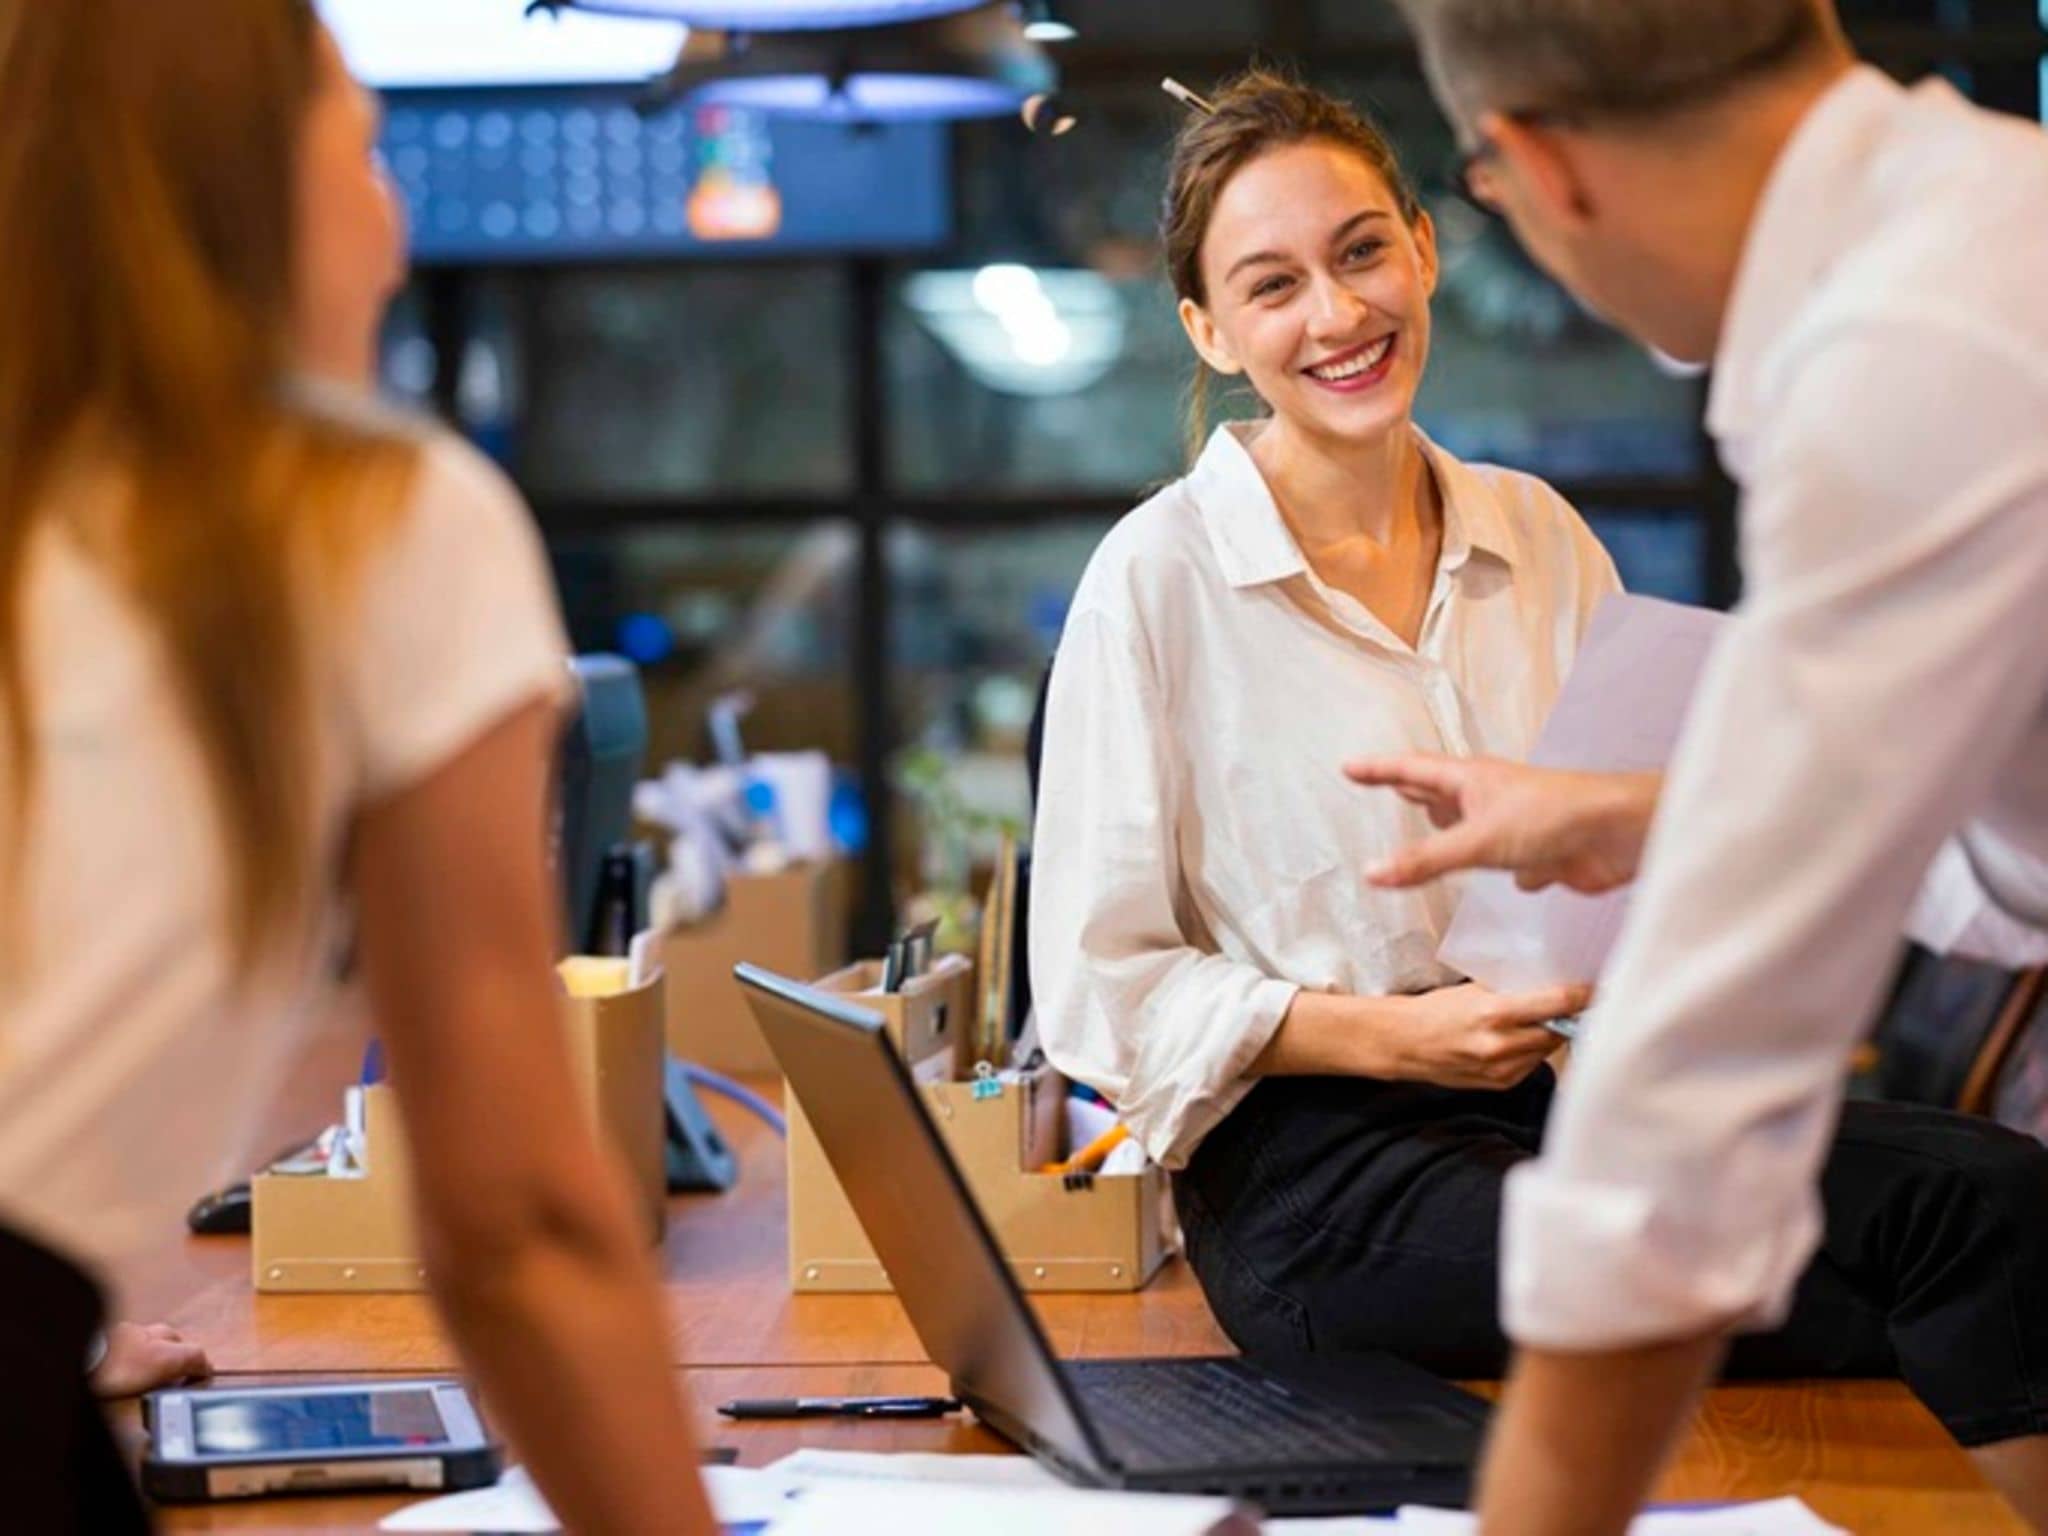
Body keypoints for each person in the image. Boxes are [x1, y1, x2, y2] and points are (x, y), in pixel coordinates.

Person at [1029, 67, 2048, 1465]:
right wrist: (1395, 1036)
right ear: (1208, 332)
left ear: (1425, 246)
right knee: (1887, 1264)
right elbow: (1101, 988)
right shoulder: (1155, 578)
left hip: (1564, 1101)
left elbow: (1652, 852)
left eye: (1362, 251)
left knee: (1991, 1195)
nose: (1337, 315)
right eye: (1270, 287)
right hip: (1321, 1178)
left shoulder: (1538, 531)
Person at [0, 4, 716, 1530]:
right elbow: (515, 1224)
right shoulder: (372, 523)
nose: (394, 230)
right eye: (369, 151)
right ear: (235, 185)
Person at [1346, 2, 2048, 1530]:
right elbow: (1999, 809)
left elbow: (1705, 1079)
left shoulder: (1902, 359)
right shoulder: (1996, 216)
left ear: (1535, 165)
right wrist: (1653, 815)